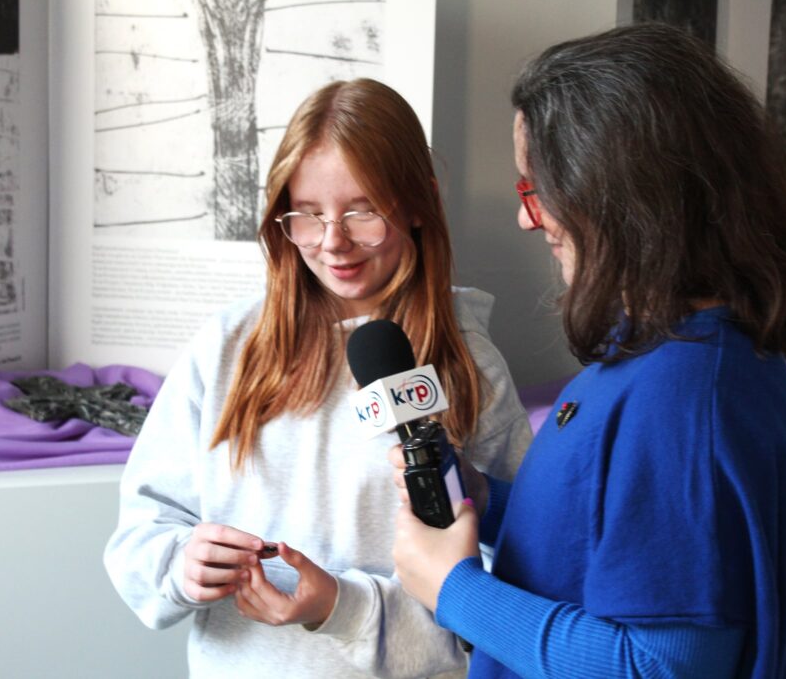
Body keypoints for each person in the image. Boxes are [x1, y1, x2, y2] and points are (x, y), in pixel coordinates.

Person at [391, 23, 786, 679]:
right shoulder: (659, 354)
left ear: (614, 192)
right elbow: (601, 538)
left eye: (535, 190)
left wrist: (454, 590)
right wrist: (482, 495)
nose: (526, 219)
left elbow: (656, 665)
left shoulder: (684, 396)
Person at [103, 77, 533, 678]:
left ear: (418, 204)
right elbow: (141, 533)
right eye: (307, 215)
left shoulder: (469, 366)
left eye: (362, 211)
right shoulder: (227, 347)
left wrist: (342, 608)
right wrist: (181, 565)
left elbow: (508, 600)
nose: (334, 242)